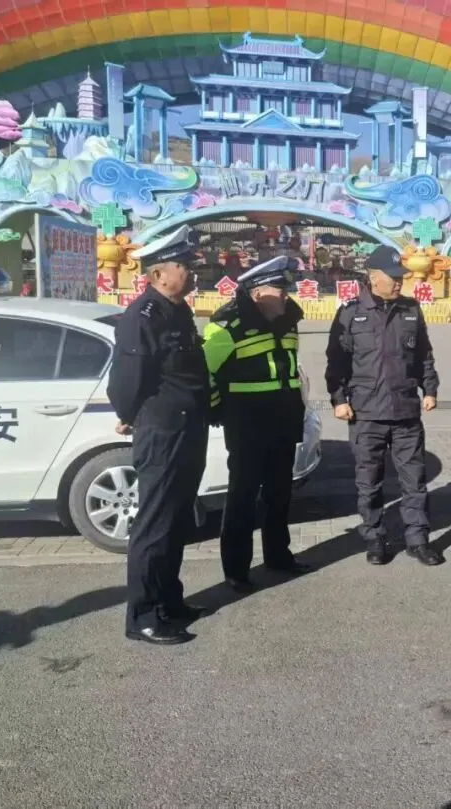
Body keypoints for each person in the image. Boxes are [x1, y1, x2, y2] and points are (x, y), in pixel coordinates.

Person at [107, 225, 209, 645]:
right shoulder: (143, 316)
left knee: (177, 519)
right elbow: (127, 378)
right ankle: (144, 616)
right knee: (154, 523)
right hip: (163, 430)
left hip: (188, 427)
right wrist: (128, 414)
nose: (191, 271)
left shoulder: (177, 311)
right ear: (158, 275)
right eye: (183, 265)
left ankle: (169, 601)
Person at [325, 246, 445, 566]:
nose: (398, 282)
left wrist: (430, 388)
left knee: (414, 480)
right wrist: (339, 400)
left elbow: (424, 355)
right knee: (369, 482)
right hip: (366, 413)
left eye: (400, 277)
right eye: (392, 277)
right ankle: (375, 538)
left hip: (405, 410)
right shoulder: (351, 313)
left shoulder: (410, 310)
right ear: (374, 277)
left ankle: (418, 540)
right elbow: (336, 361)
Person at [203, 256, 312, 592]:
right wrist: (218, 409)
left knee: (280, 495)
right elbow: (205, 374)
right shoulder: (226, 327)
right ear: (257, 294)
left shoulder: (288, 322)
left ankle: (279, 557)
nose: (286, 295)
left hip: (283, 422)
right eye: (279, 289)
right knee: (242, 498)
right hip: (247, 425)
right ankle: (236, 570)